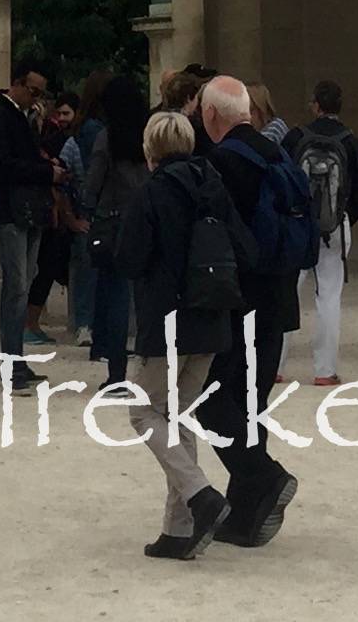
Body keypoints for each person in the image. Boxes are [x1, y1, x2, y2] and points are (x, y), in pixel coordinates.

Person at [114, 109, 242, 560]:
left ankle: (200, 495)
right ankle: (179, 529)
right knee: (179, 417)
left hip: (166, 319)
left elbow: (130, 259)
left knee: (143, 413)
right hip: (211, 316)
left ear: (151, 149)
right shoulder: (212, 184)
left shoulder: (151, 193)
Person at [194, 75, 301, 549]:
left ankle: (264, 477)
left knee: (209, 396)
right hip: (279, 296)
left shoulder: (219, 164)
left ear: (210, 115)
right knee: (248, 405)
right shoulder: (277, 153)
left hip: (240, 300)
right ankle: (245, 514)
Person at [286, 81, 358, 386]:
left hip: (297, 223)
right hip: (335, 224)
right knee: (329, 297)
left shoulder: (296, 137)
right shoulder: (351, 142)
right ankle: (324, 370)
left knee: (287, 291)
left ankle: (276, 366)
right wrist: (343, 218)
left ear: (315, 104)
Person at [0, 64, 58, 385]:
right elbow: (5, 166)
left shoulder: (19, 117)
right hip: (11, 210)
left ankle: (16, 360)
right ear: (17, 84)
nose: (36, 98)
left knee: (22, 285)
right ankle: (11, 362)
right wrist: (45, 172)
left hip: (24, 209)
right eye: (33, 91)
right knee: (16, 286)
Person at [74, 73, 150, 387]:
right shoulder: (148, 134)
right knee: (144, 298)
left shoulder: (108, 137)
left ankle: (115, 370)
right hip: (144, 218)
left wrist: (85, 207)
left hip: (112, 219)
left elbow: (94, 181)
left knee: (114, 296)